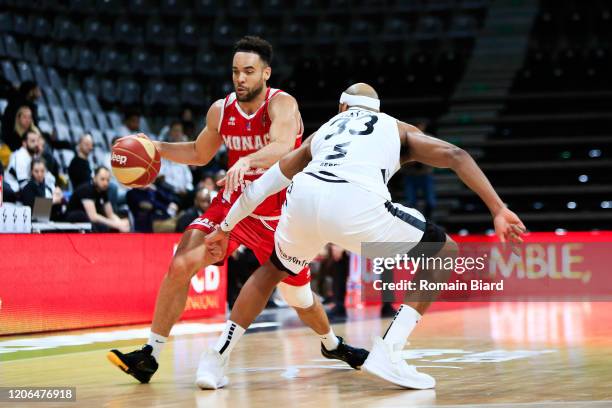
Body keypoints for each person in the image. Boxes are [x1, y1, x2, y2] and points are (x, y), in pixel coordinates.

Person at [204, 82, 526, 389]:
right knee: (443, 252)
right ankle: (390, 350)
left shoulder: (325, 130)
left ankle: (217, 357)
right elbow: (456, 156)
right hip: (356, 205)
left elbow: (264, 184)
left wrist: (225, 228)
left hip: (303, 198)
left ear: (343, 106)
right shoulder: (398, 127)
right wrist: (497, 208)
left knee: (272, 270)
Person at [107, 36, 367, 388]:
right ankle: (149, 355)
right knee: (180, 262)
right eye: (235, 72)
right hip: (234, 202)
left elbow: (281, 146)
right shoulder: (221, 109)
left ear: (265, 73)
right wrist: (154, 148)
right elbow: (200, 153)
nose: (240, 78)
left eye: (248, 71)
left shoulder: (282, 105)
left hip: (280, 212)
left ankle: (331, 344)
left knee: (300, 298)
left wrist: (247, 159)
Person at [65, 166, 130, 232]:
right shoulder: (86, 189)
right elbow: (93, 216)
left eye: (108, 180)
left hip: (90, 220)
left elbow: (110, 214)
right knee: (102, 227)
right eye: (102, 179)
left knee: (116, 225)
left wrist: (121, 223)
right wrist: (117, 225)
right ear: (95, 178)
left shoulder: (103, 191)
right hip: (75, 218)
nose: (105, 183)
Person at [1, 81, 41, 150]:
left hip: (12, 141)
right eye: (37, 90)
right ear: (31, 92)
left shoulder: (14, 102)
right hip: (16, 144)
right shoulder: (24, 107)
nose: (40, 93)